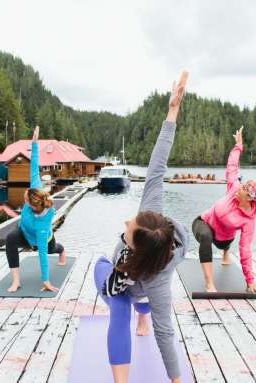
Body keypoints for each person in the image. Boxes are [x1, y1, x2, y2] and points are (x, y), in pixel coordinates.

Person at [93, 71, 189, 383]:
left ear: (138, 251)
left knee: (120, 304)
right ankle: (141, 313)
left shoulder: (159, 284)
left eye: (128, 231)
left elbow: (166, 334)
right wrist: (171, 113)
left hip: (135, 282)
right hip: (140, 283)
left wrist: (176, 380)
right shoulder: (153, 216)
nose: (126, 222)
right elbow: (157, 166)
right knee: (139, 296)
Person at [192, 126, 256, 293]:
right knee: (205, 236)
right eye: (243, 184)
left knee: (226, 241)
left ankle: (226, 253)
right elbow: (232, 165)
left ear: (249, 198)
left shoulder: (248, 221)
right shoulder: (233, 187)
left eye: (244, 188)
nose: (240, 186)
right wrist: (238, 146)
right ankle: (209, 283)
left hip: (224, 238)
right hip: (203, 222)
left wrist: (250, 281)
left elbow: (245, 249)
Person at [5, 126, 68, 293]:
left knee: (52, 250)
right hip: (24, 233)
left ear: (34, 206)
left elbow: (42, 257)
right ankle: (16, 280)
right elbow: (34, 166)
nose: (24, 199)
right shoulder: (36, 189)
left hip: (43, 240)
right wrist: (34, 143)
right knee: (11, 238)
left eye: (26, 200)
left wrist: (46, 280)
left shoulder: (42, 225)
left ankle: (62, 251)